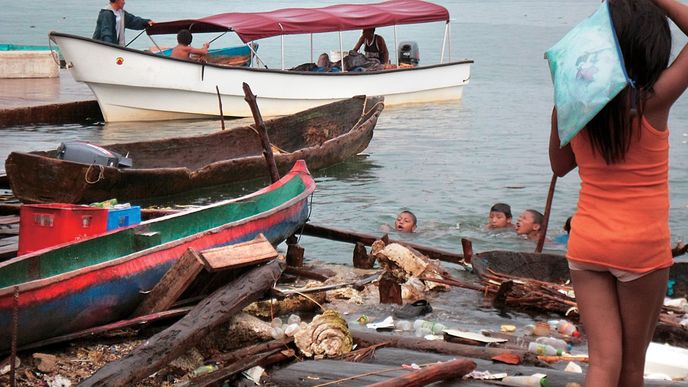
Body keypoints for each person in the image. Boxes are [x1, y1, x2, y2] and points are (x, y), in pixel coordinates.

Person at [548, 1, 688, 385]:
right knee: (631, 367)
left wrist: (564, 100)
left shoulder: (574, 105)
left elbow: (560, 167)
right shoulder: (651, 103)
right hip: (640, 249)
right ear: (651, 50)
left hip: (587, 244)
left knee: (603, 362)